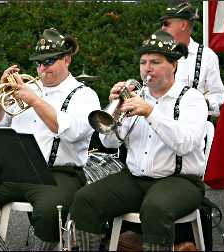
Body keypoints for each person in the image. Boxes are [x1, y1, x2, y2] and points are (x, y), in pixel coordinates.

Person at [0, 28, 101, 250]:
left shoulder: (83, 95)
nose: (42, 69)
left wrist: (36, 101)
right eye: (38, 63)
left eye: (48, 62)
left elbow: (73, 132)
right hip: (16, 170)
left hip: (58, 173)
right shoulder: (27, 90)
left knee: (50, 210)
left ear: (67, 59)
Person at [70, 30, 208, 251]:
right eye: (143, 62)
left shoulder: (191, 99)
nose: (147, 68)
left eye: (155, 62)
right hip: (134, 178)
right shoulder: (136, 97)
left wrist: (150, 113)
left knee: (156, 208)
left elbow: (186, 143)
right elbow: (109, 144)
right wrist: (114, 109)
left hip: (181, 180)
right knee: (85, 199)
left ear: (173, 65)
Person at [160, 1, 224, 115]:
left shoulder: (207, 56)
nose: (162, 28)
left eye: (167, 24)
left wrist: (201, 103)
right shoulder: (157, 53)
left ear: (183, 25)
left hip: (194, 129)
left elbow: (218, 95)